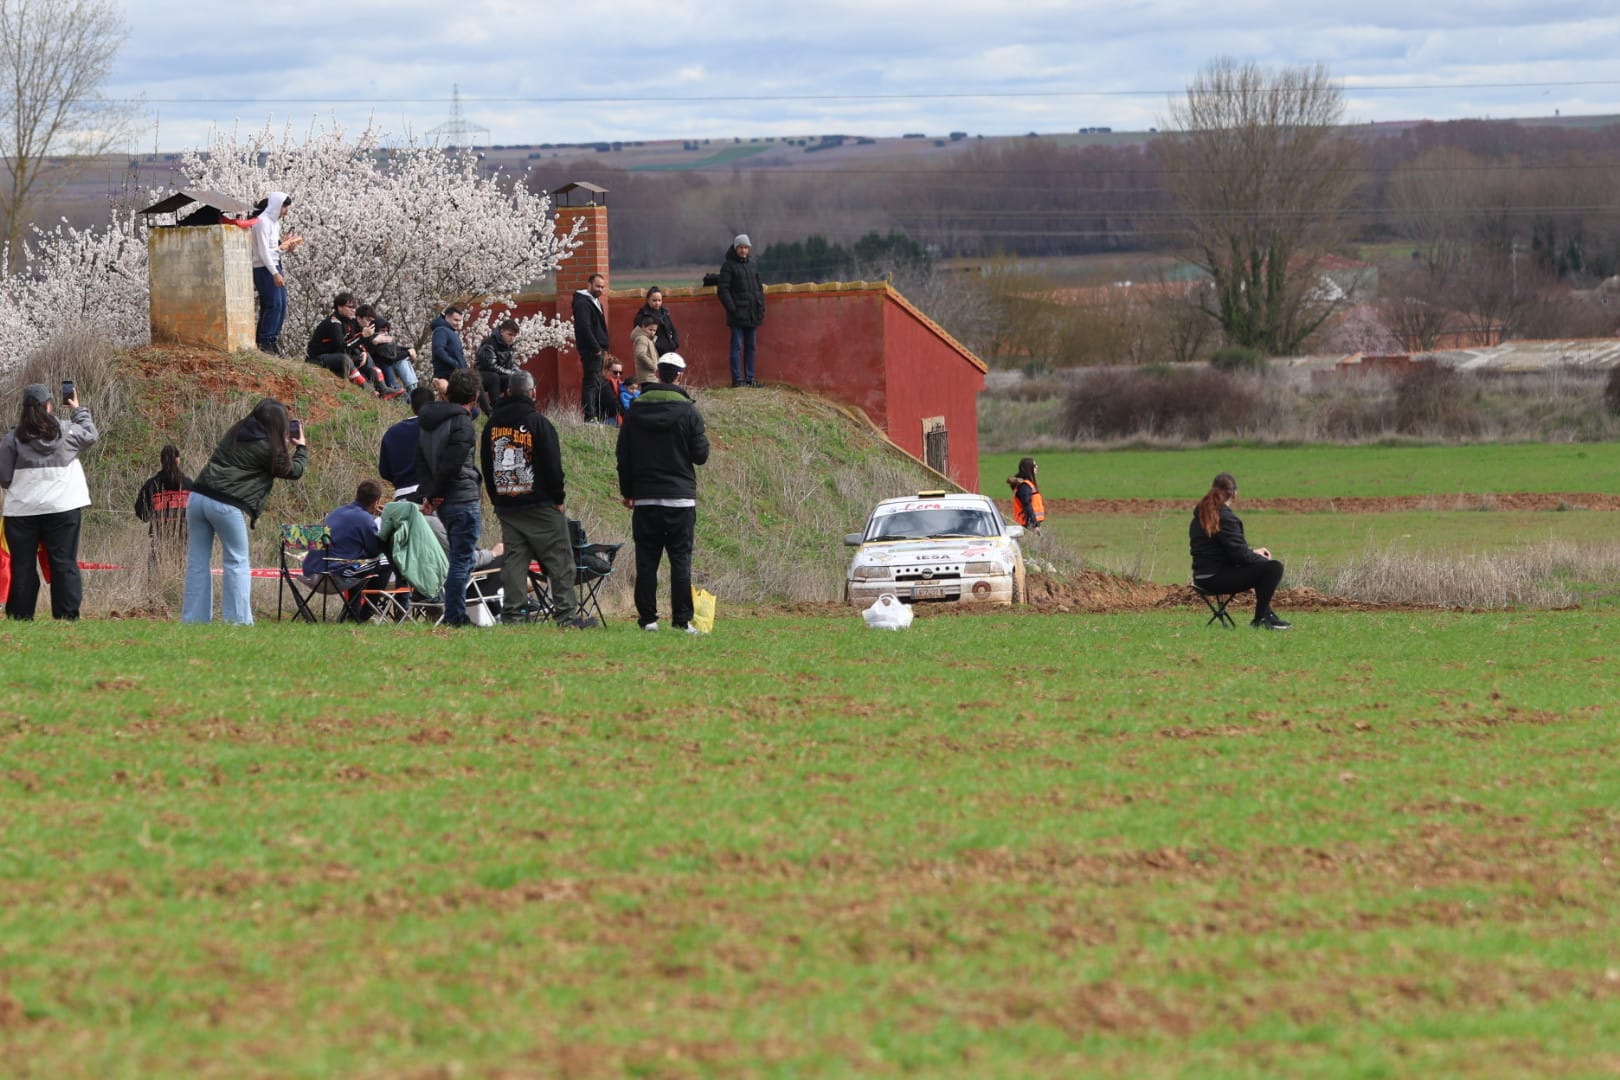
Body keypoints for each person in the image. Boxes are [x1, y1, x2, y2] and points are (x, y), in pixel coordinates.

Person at [480, 369, 597, 629]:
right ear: (533, 392)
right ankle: (566, 616)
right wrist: (558, 497)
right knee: (559, 558)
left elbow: (487, 464)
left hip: (507, 503)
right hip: (540, 503)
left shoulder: (492, 426)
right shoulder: (538, 423)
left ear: (508, 392)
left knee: (514, 560)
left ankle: (513, 616)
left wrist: (496, 497)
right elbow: (552, 465)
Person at [183, 398, 307, 625]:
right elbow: (293, 471)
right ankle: (238, 621)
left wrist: (281, 444)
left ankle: (194, 620)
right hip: (225, 504)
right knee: (237, 561)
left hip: (197, 497)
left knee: (197, 561)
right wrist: (301, 448)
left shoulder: (237, 431)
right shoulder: (270, 448)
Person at [616, 352, 710, 633]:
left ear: (656, 373)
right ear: (679, 375)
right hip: (680, 498)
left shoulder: (635, 411)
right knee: (680, 559)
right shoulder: (689, 412)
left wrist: (628, 491)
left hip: (645, 497)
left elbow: (623, 455)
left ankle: (648, 619)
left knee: (646, 560)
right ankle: (681, 620)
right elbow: (701, 456)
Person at [0, 383, 98, 620]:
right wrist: (78, 411)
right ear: (48, 406)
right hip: (63, 507)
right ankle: (66, 617)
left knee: (22, 565)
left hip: (22, 511)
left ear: (24, 408)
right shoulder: (66, 432)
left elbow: (4, 478)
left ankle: (20, 617)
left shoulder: (12, 438)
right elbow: (91, 435)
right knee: (63, 562)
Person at [415, 369, 483, 626]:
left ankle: (455, 613)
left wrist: (431, 494)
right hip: (461, 497)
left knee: (458, 558)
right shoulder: (462, 423)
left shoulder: (428, 422)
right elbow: (453, 464)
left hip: (442, 500)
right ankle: (455, 615)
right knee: (461, 560)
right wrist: (437, 493)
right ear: (475, 396)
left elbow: (420, 461)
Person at [1189, 471, 1290, 630]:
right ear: (1235, 493)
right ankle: (1261, 618)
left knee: (1262, 567)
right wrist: (1262, 560)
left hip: (1201, 577)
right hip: (1215, 578)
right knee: (1273, 568)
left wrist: (1253, 552)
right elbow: (1240, 556)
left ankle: (1266, 615)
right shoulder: (1225, 517)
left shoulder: (1201, 515)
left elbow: (1226, 550)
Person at [303, 479, 391, 611]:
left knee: (357, 563)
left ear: (357, 494)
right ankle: (365, 613)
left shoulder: (338, 511)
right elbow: (374, 552)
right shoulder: (365, 519)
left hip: (310, 572)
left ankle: (351, 610)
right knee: (385, 562)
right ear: (376, 502)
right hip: (331, 577)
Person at [307, 292, 389, 394]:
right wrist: (362, 336)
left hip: (334, 355)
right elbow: (342, 347)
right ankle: (368, 389)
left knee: (364, 356)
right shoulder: (334, 323)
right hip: (318, 358)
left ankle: (383, 389)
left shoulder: (348, 322)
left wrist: (362, 351)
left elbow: (352, 341)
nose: (353, 310)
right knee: (344, 358)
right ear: (339, 307)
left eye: (354, 307)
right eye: (350, 307)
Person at [250, 192, 301, 355]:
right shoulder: (262, 222)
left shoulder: (274, 223)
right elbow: (263, 251)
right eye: (284, 207)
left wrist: (286, 247)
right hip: (264, 268)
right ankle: (265, 340)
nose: (285, 210)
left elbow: (273, 250)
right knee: (273, 304)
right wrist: (274, 273)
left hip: (274, 265)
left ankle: (272, 339)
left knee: (281, 304)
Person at [717, 233, 765, 387]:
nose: (743, 250)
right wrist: (733, 309)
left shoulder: (752, 264)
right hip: (737, 314)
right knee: (736, 347)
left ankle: (750, 378)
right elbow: (722, 290)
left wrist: (760, 307)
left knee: (751, 347)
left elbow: (758, 288)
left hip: (752, 314)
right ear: (736, 248)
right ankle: (737, 380)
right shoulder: (728, 265)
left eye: (746, 247)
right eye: (741, 247)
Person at [134, 444, 192, 562]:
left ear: (161, 461)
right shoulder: (188, 485)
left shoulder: (151, 485)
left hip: (159, 546)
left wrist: (153, 516)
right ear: (178, 460)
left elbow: (141, 512)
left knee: (157, 571)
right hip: (185, 546)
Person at [379, 386, 435, 502]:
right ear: (433, 406)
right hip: (430, 496)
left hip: (401, 496)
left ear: (412, 407)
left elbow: (384, 471)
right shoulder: (435, 428)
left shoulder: (391, 432)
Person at [572, 273, 611, 422]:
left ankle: (595, 414)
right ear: (589, 284)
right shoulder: (583, 303)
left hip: (598, 348)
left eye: (602, 287)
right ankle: (590, 416)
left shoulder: (594, 301)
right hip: (591, 350)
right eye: (597, 286)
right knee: (591, 383)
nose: (600, 289)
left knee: (596, 382)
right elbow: (585, 328)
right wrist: (596, 348)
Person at [357, 306, 419, 394]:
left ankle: (413, 388)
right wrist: (407, 353)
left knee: (403, 361)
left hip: (387, 363)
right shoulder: (375, 339)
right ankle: (407, 390)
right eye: (383, 330)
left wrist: (409, 350)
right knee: (401, 360)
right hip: (380, 365)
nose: (385, 333)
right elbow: (390, 357)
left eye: (387, 331)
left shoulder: (383, 340)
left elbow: (395, 349)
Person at [474, 318, 522, 414]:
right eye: (510, 334)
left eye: (514, 336)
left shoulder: (508, 346)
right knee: (495, 377)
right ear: (501, 331)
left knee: (518, 379)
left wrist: (520, 373)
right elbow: (491, 366)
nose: (512, 338)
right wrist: (511, 373)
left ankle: (512, 408)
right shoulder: (489, 344)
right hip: (483, 376)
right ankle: (496, 408)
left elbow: (512, 364)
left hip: (499, 375)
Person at [634, 286, 680, 357]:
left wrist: (675, 343)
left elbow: (672, 328)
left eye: (659, 300)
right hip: (654, 353)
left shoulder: (665, 312)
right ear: (648, 300)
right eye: (654, 300)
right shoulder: (643, 315)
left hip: (670, 351)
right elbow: (639, 334)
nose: (657, 303)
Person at [1006, 457, 1045, 534]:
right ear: (1029, 468)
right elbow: (1027, 505)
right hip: (1027, 525)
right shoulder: (1025, 486)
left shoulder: (1027, 485)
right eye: (1034, 465)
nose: (1037, 467)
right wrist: (1034, 525)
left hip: (1029, 523)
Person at [430, 305, 469, 380]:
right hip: (447, 374)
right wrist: (454, 363)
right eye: (456, 320)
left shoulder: (451, 332)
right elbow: (438, 350)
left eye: (460, 321)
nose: (458, 323)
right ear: (447, 318)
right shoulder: (441, 331)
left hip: (456, 373)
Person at [630, 312, 661, 385]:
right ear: (643, 326)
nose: (652, 332)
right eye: (650, 329)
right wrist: (654, 366)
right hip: (647, 377)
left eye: (654, 330)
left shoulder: (648, 339)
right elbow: (640, 354)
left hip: (650, 377)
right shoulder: (642, 338)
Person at [600, 359, 625, 426]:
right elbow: (614, 406)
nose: (618, 375)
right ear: (606, 371)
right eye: (615, 372)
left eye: (620, 372)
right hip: (607, 419)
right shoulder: (605, 385)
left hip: (615, 417)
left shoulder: (620, 385)